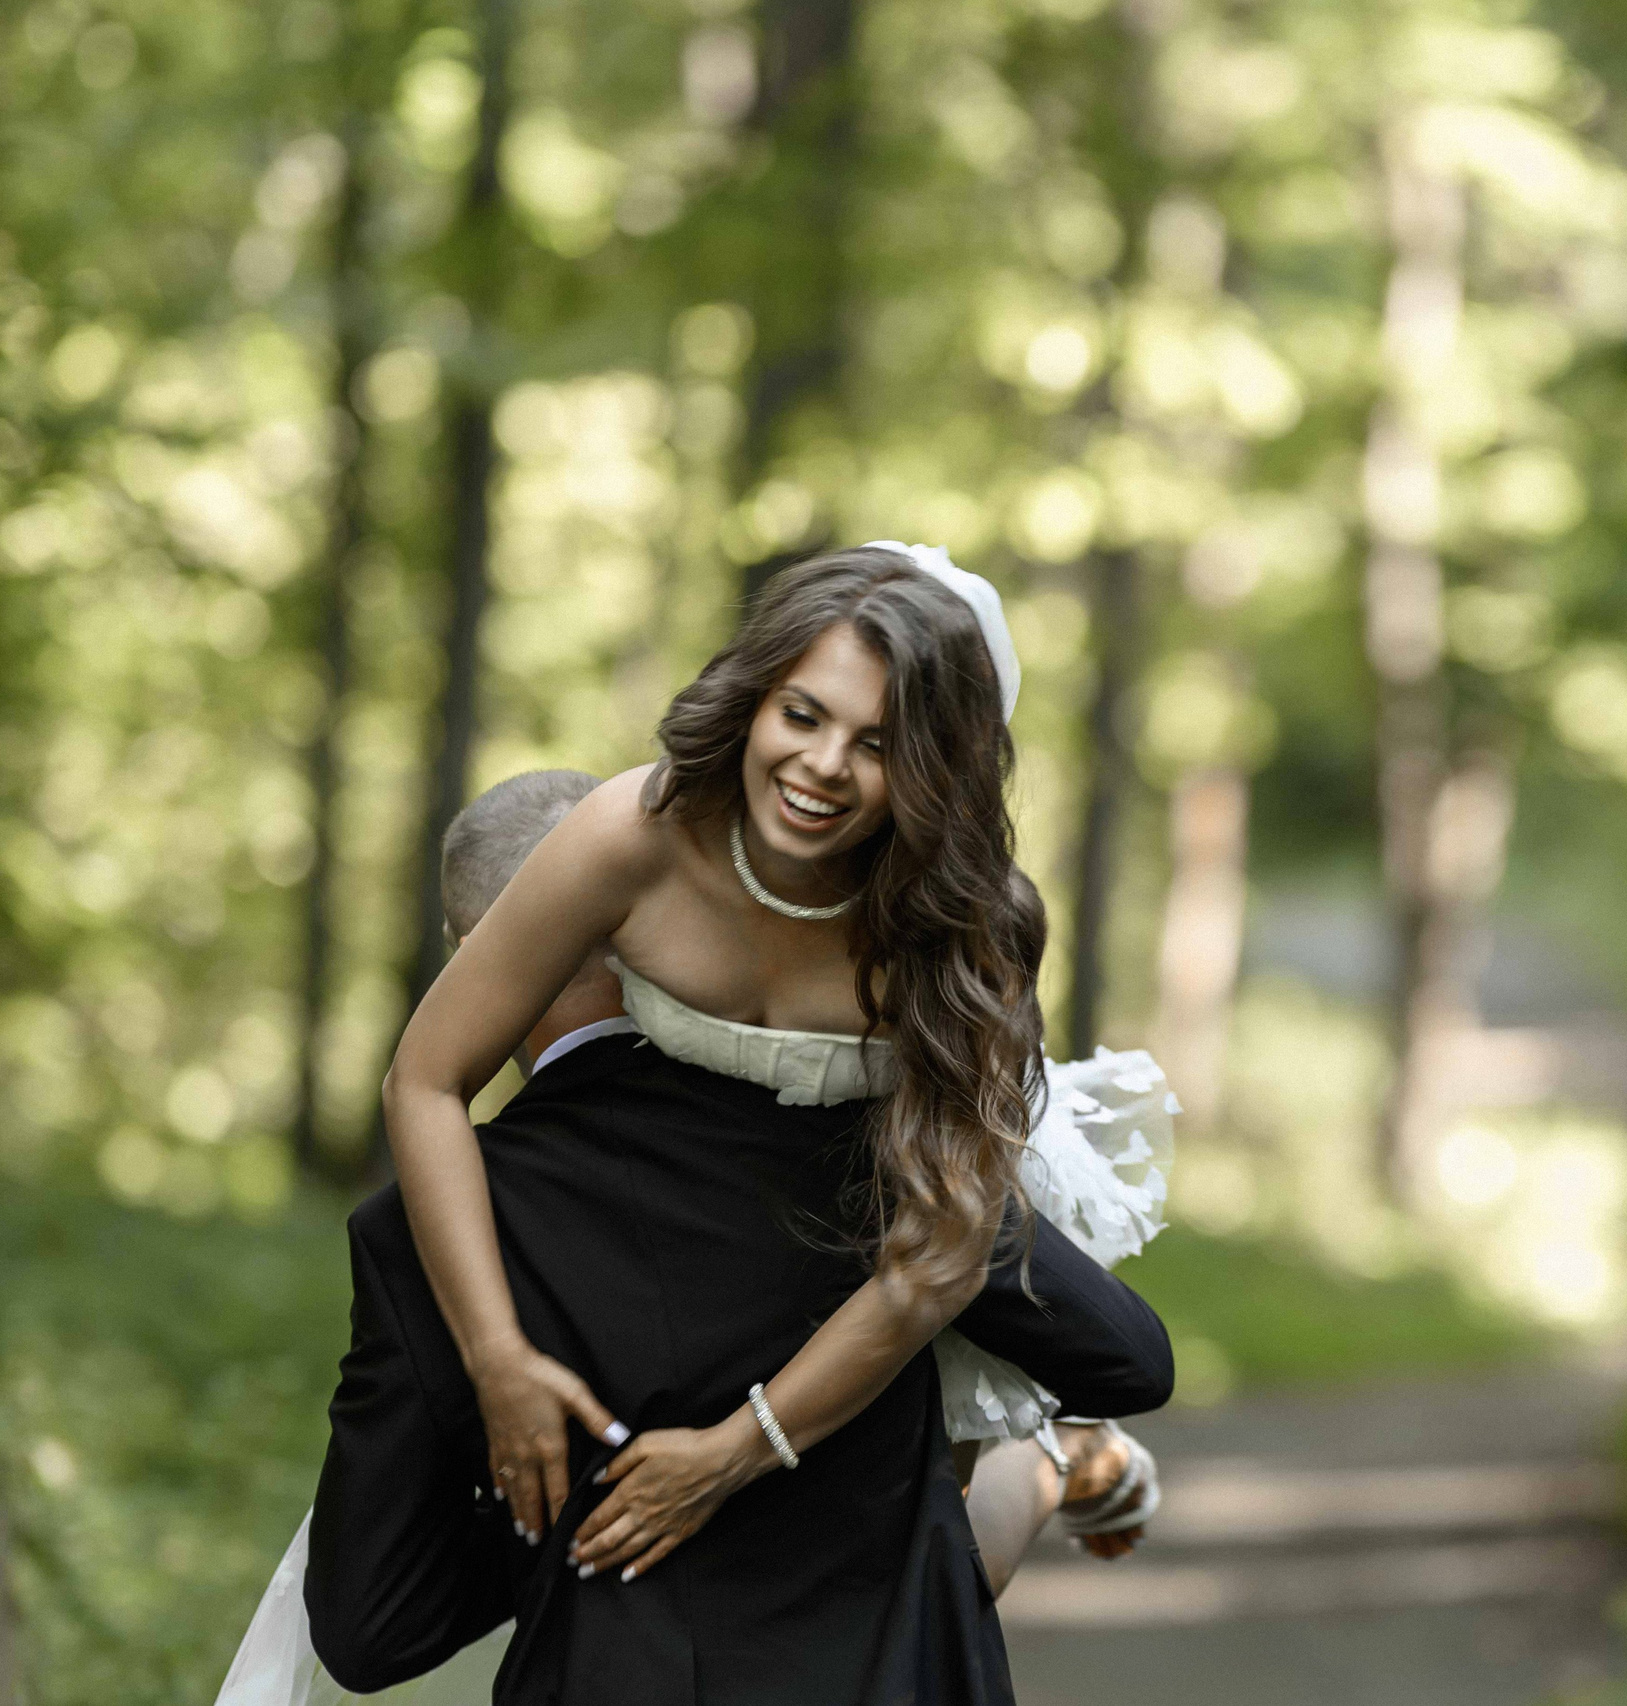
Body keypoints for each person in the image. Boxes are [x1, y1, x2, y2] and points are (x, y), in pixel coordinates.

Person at [245, 543, 1171, 1704]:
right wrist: (501, 1359)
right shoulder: (629, 832)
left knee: (1039, 1420)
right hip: (690, 1198)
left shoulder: (963, 924)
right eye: (802, 713)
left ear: (932, 767)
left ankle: (1046, 1455)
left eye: (878, 743)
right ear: (757, 695)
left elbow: (935, 1260)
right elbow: (424, 1081)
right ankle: (1045, 1460)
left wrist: (739, 1450)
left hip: (891, 1209)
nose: (824, 764)